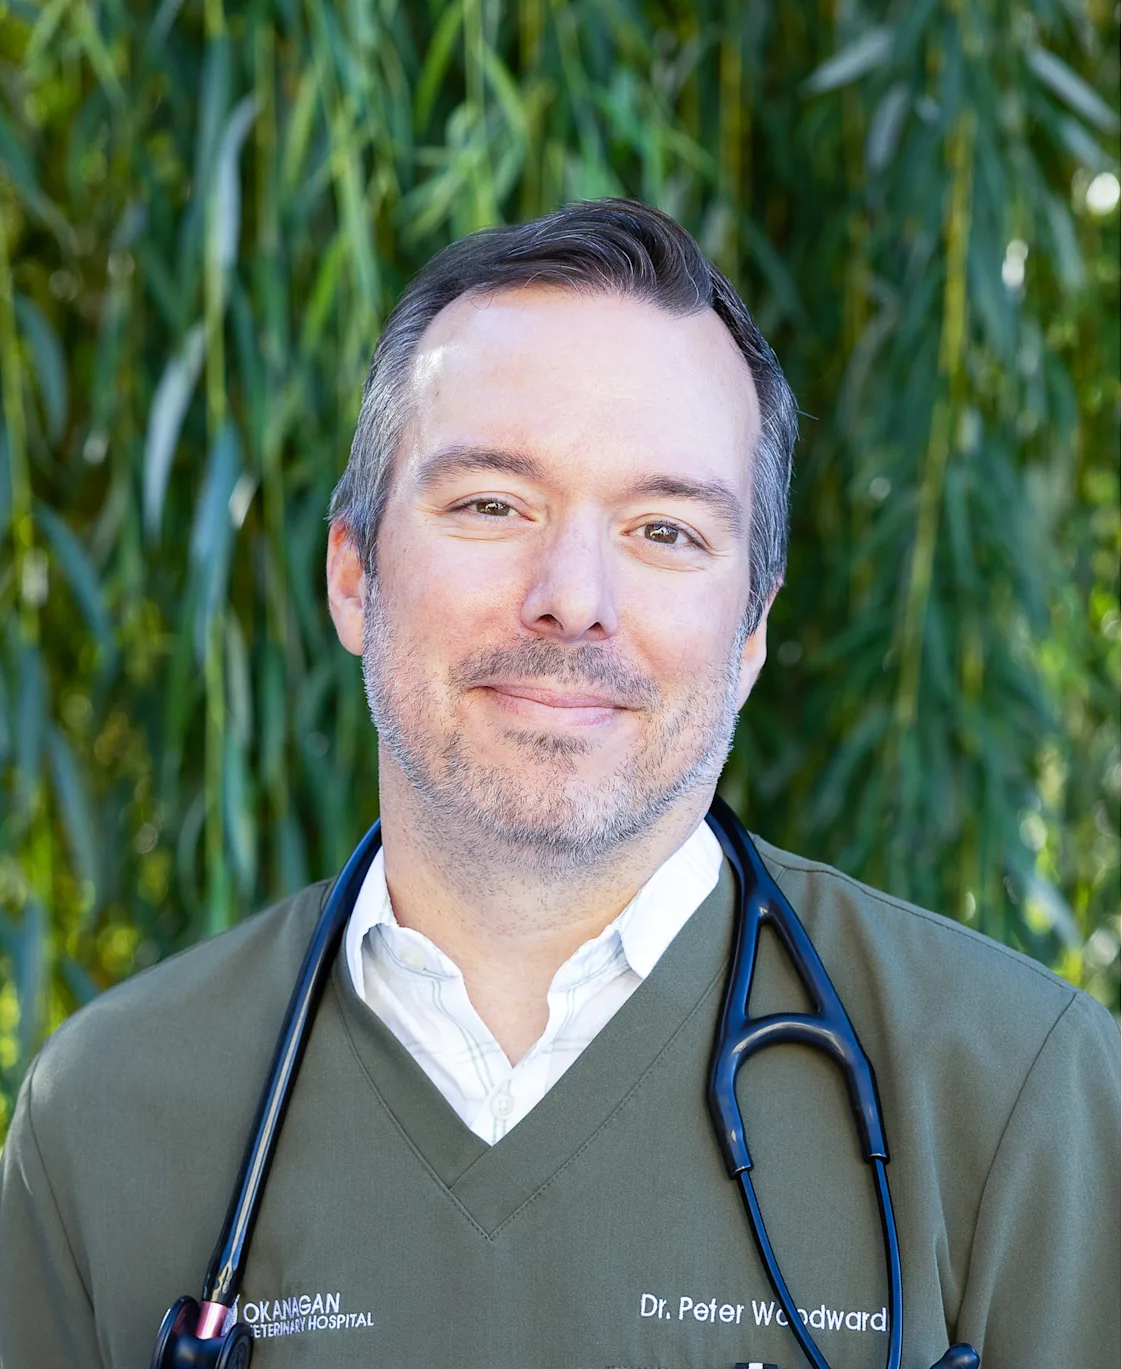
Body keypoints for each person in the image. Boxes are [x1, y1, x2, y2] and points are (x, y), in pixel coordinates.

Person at [0, 199, 1117, 1369]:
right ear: (352, 574)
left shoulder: (1014, 1097)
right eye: (494, 504)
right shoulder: (108, 1121)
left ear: (752, 630)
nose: (574, 594)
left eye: (666, 529)